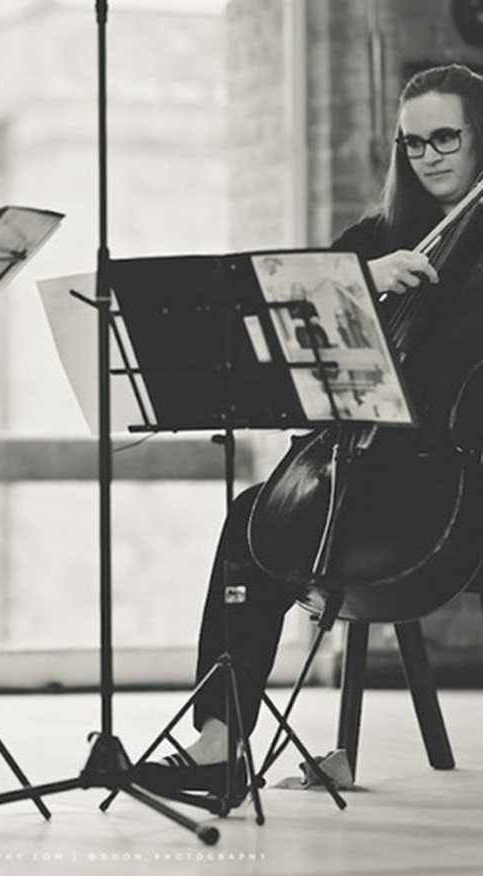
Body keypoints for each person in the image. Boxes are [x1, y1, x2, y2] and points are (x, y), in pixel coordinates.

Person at [133, 62, 483, 803]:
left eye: (445, 137)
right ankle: (220, 742)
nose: (427, 156)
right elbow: (299, 302)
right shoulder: (382, 234)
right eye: (411, 142)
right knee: (251, 518)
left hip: (454, 471)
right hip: (369, 463)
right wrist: (360, 279)